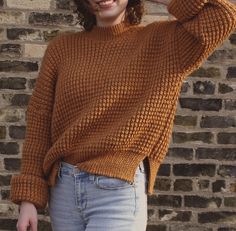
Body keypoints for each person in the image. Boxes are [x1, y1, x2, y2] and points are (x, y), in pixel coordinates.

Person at [10, 0, 236, 230]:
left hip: (117, 191)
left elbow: (224, 16)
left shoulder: (165, 41)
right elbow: (39, 123)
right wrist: (29, 199)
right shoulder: (61, 48)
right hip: (63, 190)